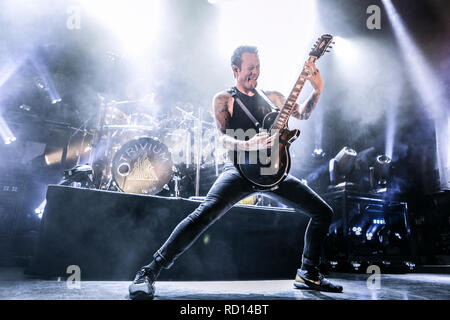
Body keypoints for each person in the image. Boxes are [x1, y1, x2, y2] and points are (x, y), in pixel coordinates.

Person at [128, 45, 343, 300]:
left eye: (258, 67)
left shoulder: (272, 97)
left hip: (274, 172)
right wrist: (247, 144)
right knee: (204, 214)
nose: (256, 72)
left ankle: (308, 272)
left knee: (323, 212)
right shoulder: (225, 99)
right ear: (235, 69)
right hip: (240, 171)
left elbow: (303, 114)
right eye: (250, 68)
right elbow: (222, 140)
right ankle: (149, 272)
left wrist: (317, 88)